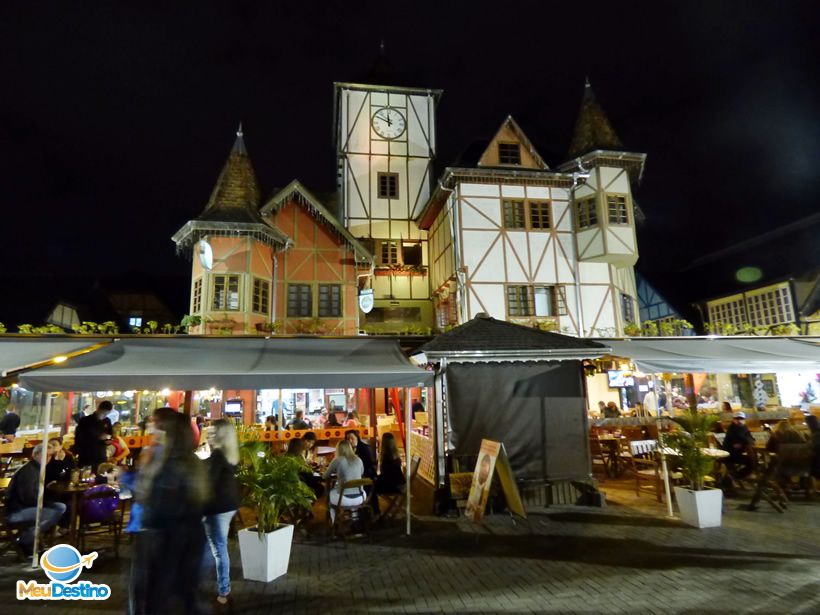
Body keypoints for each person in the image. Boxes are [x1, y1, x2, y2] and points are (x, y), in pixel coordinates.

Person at [136, 412, 208, 615]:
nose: (152, 428)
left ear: (168, 431)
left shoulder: (172, 464)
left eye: (156, 424)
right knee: (185, 594)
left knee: (162, 595)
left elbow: (154, 502)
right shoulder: (187, 461)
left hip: (171, 538)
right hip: (186, 537)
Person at [202, 419, 240, 610]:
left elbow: (209, 483)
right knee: (216, 547)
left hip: (217, 507)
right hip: (229, 505)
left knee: (218, 549)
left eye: (211, 432)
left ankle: (224, 592)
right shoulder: (230, 454)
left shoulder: (217, 456)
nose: (208, 435)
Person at [5, 444, 67, 556]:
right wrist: (47, 504)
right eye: (46, 456)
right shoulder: (29, 471)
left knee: (60, 507)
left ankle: (31, 537)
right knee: (54, 513)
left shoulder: (37, 469)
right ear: (36, 454)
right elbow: (28, 497)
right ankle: (26, 540)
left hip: (25, 506)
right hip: (18, 510)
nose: (48, 459)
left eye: (50, 456)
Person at [323, 440, 365, 523]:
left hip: (344, 499)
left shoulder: (337, 460)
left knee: (329, 494)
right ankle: (354, 519)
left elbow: (325, 476)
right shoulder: (358, 459)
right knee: (348, 490)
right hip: (361, 497)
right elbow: (361, 473)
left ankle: (333, 521)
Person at [74, 400, 112, 470]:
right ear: (98, 409)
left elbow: (110, 434)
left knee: (101, 476)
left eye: (106, 414)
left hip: (101, 454)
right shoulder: (85, 420)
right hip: (86, 454)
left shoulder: (107, 421)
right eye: (103, 413)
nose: (104, 416)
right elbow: (78, 438)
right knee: (85, 476)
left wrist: (108, 440)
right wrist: (98, 437)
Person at [722, 412, 755, 479]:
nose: (739, 421)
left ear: (744, 420)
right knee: (752, 463)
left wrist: (743, 442)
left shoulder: (744, 427)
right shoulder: (733, 428)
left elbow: (751, 439)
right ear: (733, 420)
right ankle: (736, 477)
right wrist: (746, 441)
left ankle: (736, 476)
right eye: (737, 419)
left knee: (752, 462)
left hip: (737, 453)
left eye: (741, 419)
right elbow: (743, 438)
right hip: (730, 455)